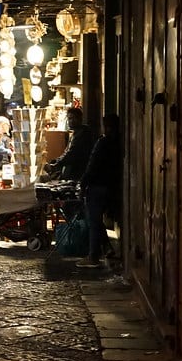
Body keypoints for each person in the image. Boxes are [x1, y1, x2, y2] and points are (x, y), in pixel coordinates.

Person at [76, 114, 122, 268]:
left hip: (97, 187)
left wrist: (83, 184)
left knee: (94, 221)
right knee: (98, 220)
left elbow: (92, 166)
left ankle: (93, 256)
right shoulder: (118, 143)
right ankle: (107, 248)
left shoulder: (102, 143)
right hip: (112, 187)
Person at [46, 107, 94, 181]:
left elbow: (71, 154)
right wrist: (56, 161)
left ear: (79, 119)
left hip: (78, 172)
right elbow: (66, 152)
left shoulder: (83, 134)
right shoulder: (75, 133)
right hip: (73, 171)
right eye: (69, 119)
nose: (70, 121)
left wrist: (56, 165)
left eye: (72, 118)